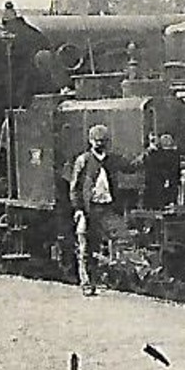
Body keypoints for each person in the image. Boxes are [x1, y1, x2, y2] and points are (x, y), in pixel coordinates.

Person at [68, 124, 142, 295]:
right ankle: (87, 284)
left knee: (124, 238)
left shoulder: (112, 159)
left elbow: (132, 165)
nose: (100, 144)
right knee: (86, 247)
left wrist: (151, 150)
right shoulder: (83, 160)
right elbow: (75, 188)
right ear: (90, 141)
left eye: (103, 141)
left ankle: (129, 272)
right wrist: (78, 210)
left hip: (107, 208)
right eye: (97, 141)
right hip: (89, 210)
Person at [143, 133, 182, 210]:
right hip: (167, 179)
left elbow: (150, 165)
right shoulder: (174, 154)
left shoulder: (155, 154)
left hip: (160, 180)